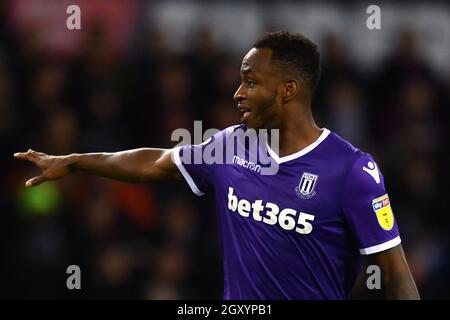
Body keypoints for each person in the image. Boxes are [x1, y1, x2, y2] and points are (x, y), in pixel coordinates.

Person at [14, 31, 420, 300]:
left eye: (251, 81)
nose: (238, 92)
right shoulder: (229, 146)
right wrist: (78, 161)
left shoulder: (350, 170)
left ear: (287, 91)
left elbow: (395, 274)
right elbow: (157, 161)